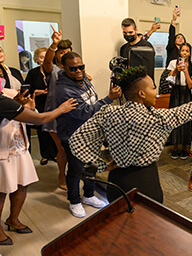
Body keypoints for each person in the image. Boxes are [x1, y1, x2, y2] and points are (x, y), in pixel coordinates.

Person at [70, 66, 192, 203]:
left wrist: (101, 166)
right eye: (153, 88)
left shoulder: (108, 112)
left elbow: (77, 141)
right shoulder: (157, 119)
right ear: (142, 94)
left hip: (116, 181)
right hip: (145, 183)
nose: (155, 91)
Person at [0, 87, 76, 246]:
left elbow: (23, 115)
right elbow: (39, 119)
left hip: (19, 146)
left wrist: (30, 107)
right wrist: (61, 109)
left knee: (22, 185)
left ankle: (13, 219)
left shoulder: (7, 94)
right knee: (2, 192)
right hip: (3, 152)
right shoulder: (2, 100)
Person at [56, 52, 122, 218]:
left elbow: (92, 100)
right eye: (73, 69)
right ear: (64, 68)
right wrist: (109, 99)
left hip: (90, 134)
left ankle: (89, 195)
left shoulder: (82, 79)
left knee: (91, 166)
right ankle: (74, 201)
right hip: (73, 136)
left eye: (81, 67)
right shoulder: (64, 89)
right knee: (76, 169)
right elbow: (83, 113)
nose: (79, 71)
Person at [43, 26, 73, 190]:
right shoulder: (53, 69)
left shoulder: (72, 70)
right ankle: (62, 175)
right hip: (55, 114)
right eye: (61, 52)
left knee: (70, 148)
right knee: (61, 148)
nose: (64, 55)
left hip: (71, 114)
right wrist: (53, 45)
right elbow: (47, 62)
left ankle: (72, 173)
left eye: (67, 51)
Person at [24, 47, 58, 165]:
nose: (44, 59)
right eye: (41, 57)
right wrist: (37, 92)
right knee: (42, 131)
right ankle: (45, 155)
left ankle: (54, 154)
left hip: (52, 105)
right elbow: (26, 89)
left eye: (46, 56)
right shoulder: (33, 73)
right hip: (39, 104)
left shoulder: (55, 72)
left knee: (53, 130)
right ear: (37, 59)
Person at [164, 43, 192, 160]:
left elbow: (190, 85)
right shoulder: (173, 63)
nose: (185, 53)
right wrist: (176, 69)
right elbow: (169, 80)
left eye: (187, 51)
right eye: (183, 50)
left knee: (186, 121)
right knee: (175, 120)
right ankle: (175, 147)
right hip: (175, 93)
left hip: (186, 95)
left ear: (190, 53)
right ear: (180, 52)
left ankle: (184, 148)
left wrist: (186, 71)